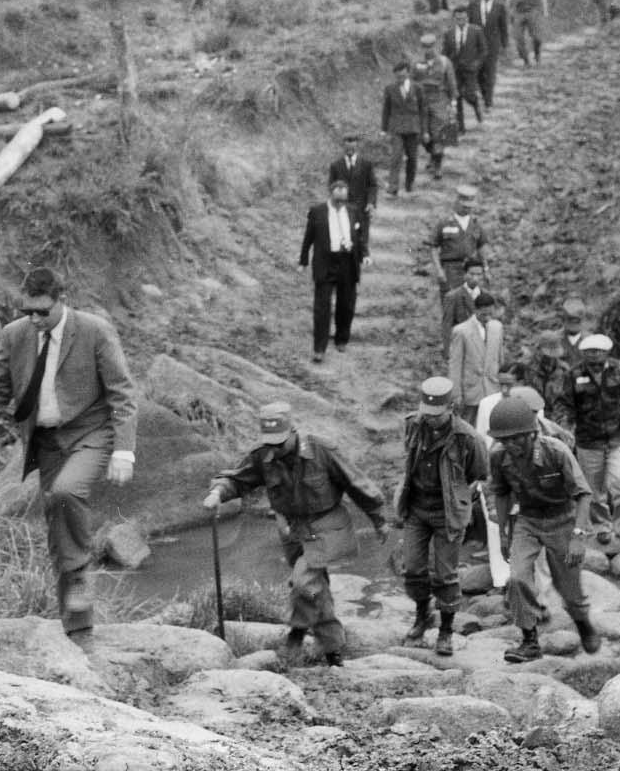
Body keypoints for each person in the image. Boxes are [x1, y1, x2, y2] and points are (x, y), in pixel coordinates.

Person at [0, 267, 138, 635]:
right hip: (45, 442)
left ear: (63, 300)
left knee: (66, 492)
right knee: (57, 525)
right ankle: (76, 627)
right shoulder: (15, 335)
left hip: (90, 432)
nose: (34, 319)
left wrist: (124, 452)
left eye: (42, 312)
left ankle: (80, 580)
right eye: (27, 311)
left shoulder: (94, 330)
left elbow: (123, 394)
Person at [203, 402, 389, 667]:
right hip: (292, 530)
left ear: (293, 432)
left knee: (303, 583)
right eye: (271, 444)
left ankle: (297, 631)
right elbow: (237, 478)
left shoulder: (321, 450)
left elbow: (356, 483)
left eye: (281, 443)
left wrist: (378, 519)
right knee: (315, 589)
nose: (276, 449)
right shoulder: (263, 455)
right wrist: (217, 493)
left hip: (327, 525)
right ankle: (333, 652)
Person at [486, 398, 601, 663]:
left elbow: (584, 494)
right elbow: (501, 493)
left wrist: (578, 537)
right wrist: (502, 533)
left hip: (563, 519)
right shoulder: (498, 456)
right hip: (527, 520)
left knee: (569, 588)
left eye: (516, 438)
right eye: (505, 440)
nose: (511, 445)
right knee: (517, 578)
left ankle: (583, 623)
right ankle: (529, 641)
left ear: (531, 433)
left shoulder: (556, 451)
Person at [395, 376, 490, 657]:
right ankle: (422, 615)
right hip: (416, 508)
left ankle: (446, 630)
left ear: (451, 409)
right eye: (427, 413)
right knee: (413, 568)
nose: (431, 419)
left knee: (445, 574)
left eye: (437, 414)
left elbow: (479, 475)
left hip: (448, 513)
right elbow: (408, 459)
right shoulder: (413, 424)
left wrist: (460, 499)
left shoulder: (468, 438)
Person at [554, 334, 620, 545]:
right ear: (583, 354)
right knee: (593, 489)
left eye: (597, 351)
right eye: (589, 352)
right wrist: (565, 429)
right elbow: (565, 404)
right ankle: (602, 526)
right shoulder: (573, 375)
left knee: (619, 483)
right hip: (588, 440)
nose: (593, 355)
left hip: (617, 438)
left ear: (606, 353)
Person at [300, 179, 371, 363]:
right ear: (331, 194)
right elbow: (308, 237)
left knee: (346, 303)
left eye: (343, 199)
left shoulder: (353, 211)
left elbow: (360, 237)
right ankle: (319, 348)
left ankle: (341, 338)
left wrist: (364, 254)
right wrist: (303, 260)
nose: (340, 203)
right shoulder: (317, 211)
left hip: (347, 263)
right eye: (337, 199)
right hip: (326, 263)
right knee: (322, 306)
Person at [446, 292, 505, 426]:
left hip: (492, 389)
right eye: (484, 314)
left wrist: (503, 385)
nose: (487, 317)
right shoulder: (461, 331)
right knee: (468, 427)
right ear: (476, 310)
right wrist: (456, 394)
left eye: (490, 313)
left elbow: (500, 359)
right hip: (471, 392)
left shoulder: (497, 327)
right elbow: (455, 365)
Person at [380, 61, 429, 199]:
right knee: (396, 157)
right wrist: (383, 129)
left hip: (413, 129)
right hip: (397, 129)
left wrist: (425, 131)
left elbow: (423, 111)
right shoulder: (390, 89)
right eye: (397, 77)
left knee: (412, 158)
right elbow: (386, 110)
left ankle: (409, 184)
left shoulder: (417, 88)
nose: (400, 79)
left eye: (402, 76)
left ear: (408, 73)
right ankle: (393, 187)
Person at [412, 32, 457, 181]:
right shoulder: (417, 63)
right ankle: (432, 155)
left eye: (430, 46)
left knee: (438, 134)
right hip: (422, 102)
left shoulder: (444, 62)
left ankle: (438, 165)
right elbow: (411, 82)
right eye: (425, 47)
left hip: (440, 101)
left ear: (435, 46)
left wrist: (453, 102)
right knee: (424, 135)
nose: (428, 49)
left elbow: (451, 83)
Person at [442, 6, 487, 132]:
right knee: (457, 96)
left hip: (470, 69)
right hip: (455, 70)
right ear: (454, 19)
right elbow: (444, 52)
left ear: (467, 17)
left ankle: (478, 110)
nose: (460, 20)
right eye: (458, 18)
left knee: (470, 94)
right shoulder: (449, 33)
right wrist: (445, 67)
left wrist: (476, 64)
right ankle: (461, 127)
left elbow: (483, 51)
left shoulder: (476, 31)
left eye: (463, 18)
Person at [468, 0, 509, 111]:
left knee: (490, 71)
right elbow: (469, 26)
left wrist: (505, 44)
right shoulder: (473, 5)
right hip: (476, 45)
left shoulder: (499, 6)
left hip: (492, 44)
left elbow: (503, 27)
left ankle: (488, 102)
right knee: (479, 72)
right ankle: (484, 94)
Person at [328, 132, 379, 220]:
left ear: (357, 146)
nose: (350, 151)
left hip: (362, 209)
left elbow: (372, 186)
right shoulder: (335, 165)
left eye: (352, 148)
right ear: (343, 147)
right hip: (342, 210)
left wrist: (370, 203)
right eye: (347, 148)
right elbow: (331, 186)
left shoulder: (366, 164)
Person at [441, 256, 485, 354]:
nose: (475, 278)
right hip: (461, 347)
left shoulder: (486, 295)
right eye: (472, 274)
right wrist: (448, 352)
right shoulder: (453, 296)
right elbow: (447, 326)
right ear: (465, 274)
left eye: (479, 274)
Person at [523, 331, 570, 417]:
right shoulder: (527, 367)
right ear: (538, 349)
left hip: (557, 414)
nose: (550, 358)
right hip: (532, 413)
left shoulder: (563, 369)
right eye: (547, 355)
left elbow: (566, 398)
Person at [560, 297, 589, 369]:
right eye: (570, 320)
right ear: (563, 319)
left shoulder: (590, 340)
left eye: (577, 321)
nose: (573, 324)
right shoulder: (554, 340)